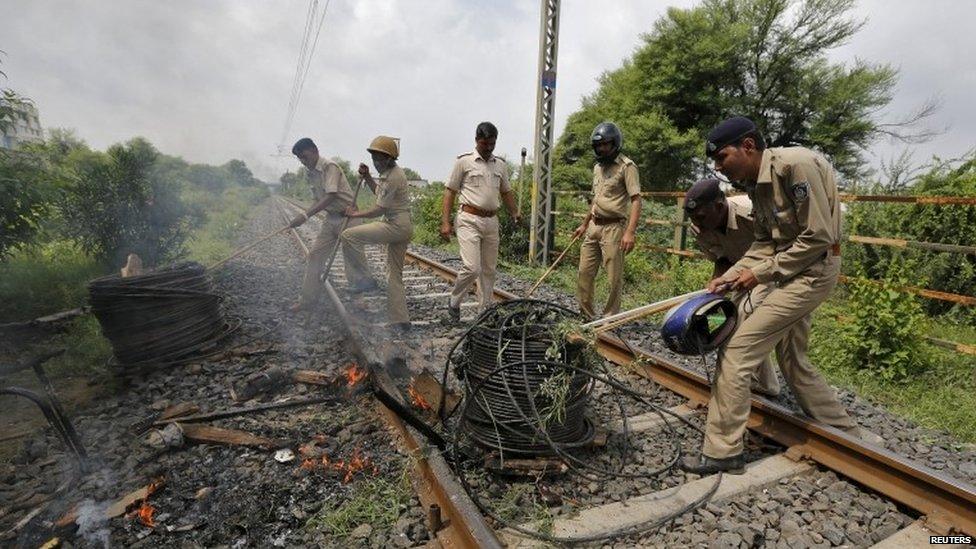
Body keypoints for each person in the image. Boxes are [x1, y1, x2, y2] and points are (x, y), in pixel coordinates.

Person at [682, 116, 873, 475]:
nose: (718, 167)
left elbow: (818, 237)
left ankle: (723, 452)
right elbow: (766, 242)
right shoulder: (756, 184)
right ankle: (847, 436)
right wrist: (734, 275)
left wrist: (759, 274)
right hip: (790, 268)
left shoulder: (794, 166)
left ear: (748, 146)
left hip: (813, 270)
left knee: (737, 350)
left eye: (722, 158)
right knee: (792, 359)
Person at [685, 178, 781, 398]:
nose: (697, 224)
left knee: (744, 316)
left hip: (769, 272)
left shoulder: (751, 212)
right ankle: (764, 383)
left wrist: (755, 274)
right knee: (721, 318)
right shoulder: (698, 228)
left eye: (700, 217)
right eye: (693, 219)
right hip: (737, 277)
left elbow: (780, 249)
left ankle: (749, 380)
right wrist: (715, 290)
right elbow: (722, 258)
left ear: (719, 207)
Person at [441, 122, 521, 322]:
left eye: (492, 144)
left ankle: (483, 312)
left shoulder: (500, 165)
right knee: (472, 268)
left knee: (488, 269)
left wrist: (515, 213)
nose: (489, 148)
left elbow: (506, 192)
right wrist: (445, 222)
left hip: (491, 221)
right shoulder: (463, 162)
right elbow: (450, 192)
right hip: (469, 219)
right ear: (477, 140)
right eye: (485, 144)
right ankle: (454, 301)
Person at [287, 137, 374, 312]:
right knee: (315, 256)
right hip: (331, 218)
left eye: (304, 156)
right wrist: (302, 214)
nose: (303, 162)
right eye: (300, 159)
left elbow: (331, 195)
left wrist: (305, 216)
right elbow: (317, 199)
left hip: (350, 217)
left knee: (351, 259)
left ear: (314, 151)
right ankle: (307, 300)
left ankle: (358, 300)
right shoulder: (309, 172)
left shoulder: (329, 167)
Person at [341, 136, 414, 333]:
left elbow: (379, 209)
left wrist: (355, 214)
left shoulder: (393, 176)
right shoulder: (389, 173)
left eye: (379, 159)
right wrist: (367, 178)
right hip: (403, 225)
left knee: (349, 236)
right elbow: (379, 194)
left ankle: (364, 280)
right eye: (373, 158)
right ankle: (400, 321)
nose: (375, 162)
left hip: (396, 225)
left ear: (390, 159)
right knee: (394, 274)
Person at [573, 122, 642, 319]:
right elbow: (596, 199)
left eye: (606, 144)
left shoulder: (627, 167)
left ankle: (609, 317)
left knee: (614, 278)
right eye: (599, 145)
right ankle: (586, 314)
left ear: (615, 144)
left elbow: (636, 200)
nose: (602, 149)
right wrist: (584, 224)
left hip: (614, 227)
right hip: (594, 226)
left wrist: (630, 232)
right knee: (584, 273)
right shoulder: (597, 168)